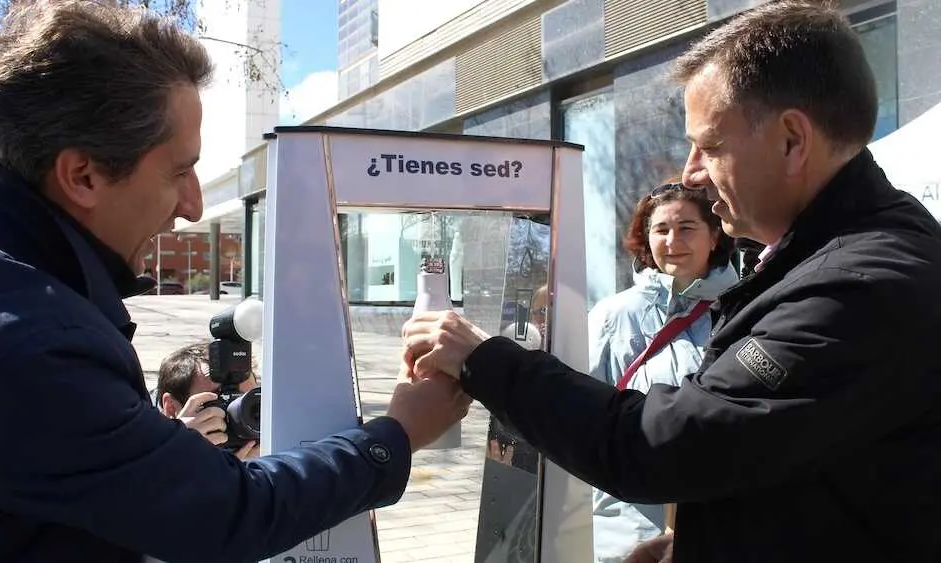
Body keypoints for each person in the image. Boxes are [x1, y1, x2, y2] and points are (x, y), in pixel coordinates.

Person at [401, 1, 941, 561]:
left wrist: (485, 359)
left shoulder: (860, 286)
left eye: (709, 146)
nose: (690, 173)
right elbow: (792, 461)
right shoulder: (838, 255)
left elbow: (660, 445)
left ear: (791, 140)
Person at [0, 2, 469, 562]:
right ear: (83, 175)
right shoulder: (24, 341)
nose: (192, 205)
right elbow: (229, 514)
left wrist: (154, 454)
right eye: (178, 172)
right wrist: (400, 433)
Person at [587, 182, 736, 562]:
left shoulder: (745, 309)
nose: (673, 241)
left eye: (687, 227)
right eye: (661, 230)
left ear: (715, 235)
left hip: (719, 520)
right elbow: (585, 412)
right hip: (625, 524)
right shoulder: (612, 316)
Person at [154, 341, 260, 457]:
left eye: (250, 403)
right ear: (171, 409)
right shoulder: (141, 456)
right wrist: (179, 452)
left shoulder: (273, 447)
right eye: (225, 401)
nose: (242, 418)